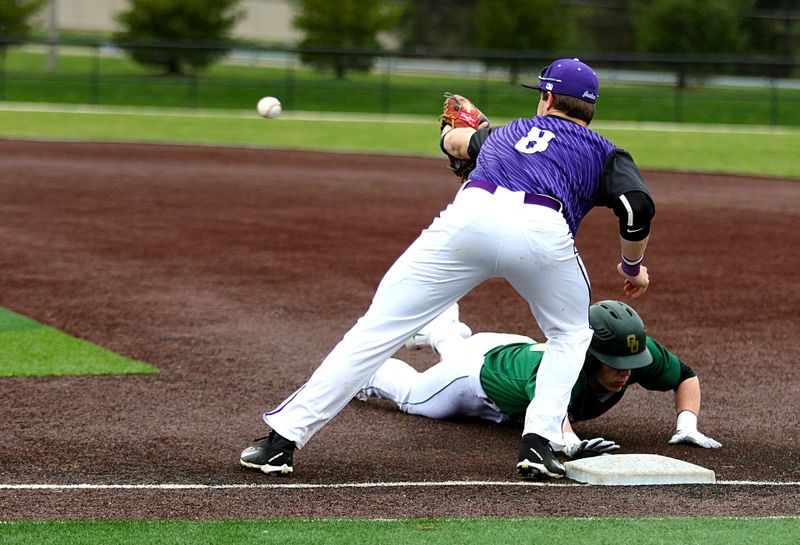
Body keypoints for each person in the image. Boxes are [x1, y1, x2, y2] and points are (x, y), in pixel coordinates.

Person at [240, 58, 656, 479]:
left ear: (547, 98)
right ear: (590, 108)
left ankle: (280, 442)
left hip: (468, 219)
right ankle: (539, 443)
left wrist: (448, 134)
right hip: (542, 230)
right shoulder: (606, 152)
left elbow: (456, 142)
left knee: (377, 329)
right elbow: (636, 207)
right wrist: (632, 265)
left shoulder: (506, 132)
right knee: (570, 334)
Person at [358, 301, 721, 458]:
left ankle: (443, 328)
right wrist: (571, 445)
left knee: (459, 351)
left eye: (631, 361)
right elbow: (552, 417)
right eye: (615, 363)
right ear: (589, 355)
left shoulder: (635, 351)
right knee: (413, 397)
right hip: (473, 377)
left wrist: (687, 426)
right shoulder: (560, 369)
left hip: (509, 349)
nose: (626, 371)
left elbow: (685, 377)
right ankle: (363, 369)